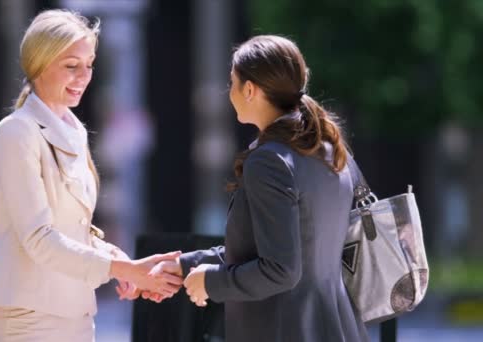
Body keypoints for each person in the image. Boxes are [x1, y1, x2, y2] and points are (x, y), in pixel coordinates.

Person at [0, 9, 182, 341]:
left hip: (76, 318)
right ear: (39, 63)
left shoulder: (75, 130)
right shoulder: (17, 132)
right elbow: (40, 239)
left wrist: (119, 259)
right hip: (25, 322)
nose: (84, 77)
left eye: (89, 65)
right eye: (71, 66)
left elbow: (73, 229)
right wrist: (124, 269)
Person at [158, 35, 370, 341]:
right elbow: (275, 248)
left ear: (249, 89)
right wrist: (184, 266)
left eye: (231, 82)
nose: (229, 92)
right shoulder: (329, 148)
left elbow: (281, 269)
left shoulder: (270, 161)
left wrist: (212, 282)